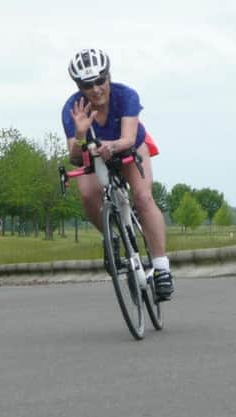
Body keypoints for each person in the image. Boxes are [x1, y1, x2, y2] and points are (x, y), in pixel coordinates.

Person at [61, 48, 174, 300]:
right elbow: (74, 155)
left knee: (143, 199)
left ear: (109, 76)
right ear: (78, 85)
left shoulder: (126, 96)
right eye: (87, 84)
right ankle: (111, 236)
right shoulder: (72, 108)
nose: (96, 89)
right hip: (95, 155)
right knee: (88, 194)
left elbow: (128, 138)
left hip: (129, 149)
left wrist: (111, 146)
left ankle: (162, 268)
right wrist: (80, 135)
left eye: (100, 80)